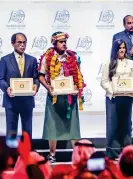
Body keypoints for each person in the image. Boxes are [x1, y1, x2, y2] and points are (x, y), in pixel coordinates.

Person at [38, 31, 86, 163]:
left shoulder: (73, 56)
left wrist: (77, 87)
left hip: (70, 97)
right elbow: (41, 76)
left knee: (73, 126)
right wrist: (49, 88)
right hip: (54, 97)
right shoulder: (47, 57)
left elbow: (78, 75)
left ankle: (77, 156)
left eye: (65, 41)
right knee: (52, 126)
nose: (64, 44)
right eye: (61, 42)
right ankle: (52, 155)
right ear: (54, 43)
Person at [0, 32, 39, 139]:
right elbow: (0, 79)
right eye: (19, 42)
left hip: (27, 101)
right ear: (12, 43)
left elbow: (36, 78)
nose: (22, 45)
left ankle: (28, 154)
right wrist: (7, 88)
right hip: (11, 102)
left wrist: (36, 86)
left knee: (27, 132)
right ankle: (11, 155)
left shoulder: (32, 60)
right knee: (11, 132)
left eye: (24, 42)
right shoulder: (4, 60)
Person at [101, 39, 133, 159]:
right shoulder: (109, 63)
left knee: (126, 125)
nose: (122, 50)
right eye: (120, 48)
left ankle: (127, 152)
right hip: (113, 98)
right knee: (113, 125)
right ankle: (114, 153)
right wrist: (113, 91)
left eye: (123, 48)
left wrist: (132, 90)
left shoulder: (130, 63)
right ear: (115, 49)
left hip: (127, 98)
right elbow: (104, 81)